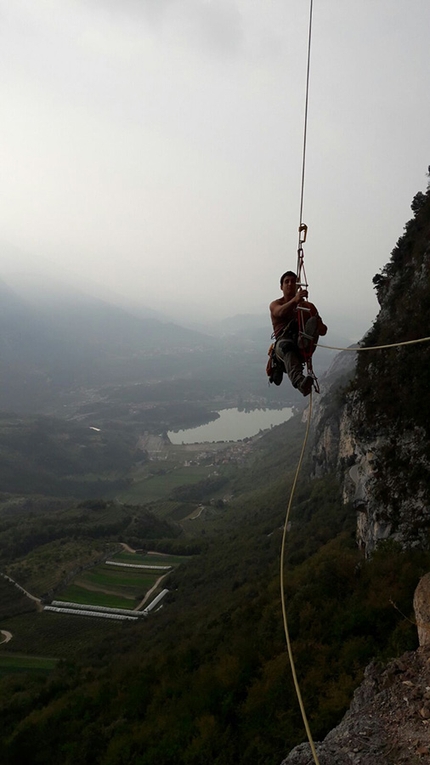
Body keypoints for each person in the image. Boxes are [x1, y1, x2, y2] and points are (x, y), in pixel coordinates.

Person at [269, 270, 327, 396]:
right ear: (281, 287)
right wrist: (295, 301)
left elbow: (323, 331)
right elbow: (279, 312)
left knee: (312, 322)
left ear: (298, 286)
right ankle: (300, 383)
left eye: (293, 282)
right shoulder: (275, 304)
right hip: (284, 348)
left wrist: (317, 323)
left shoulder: (308, 307)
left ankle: (304, 341)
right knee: (287, 346)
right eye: (286, 282)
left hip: (303, 349)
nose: (290, 284)